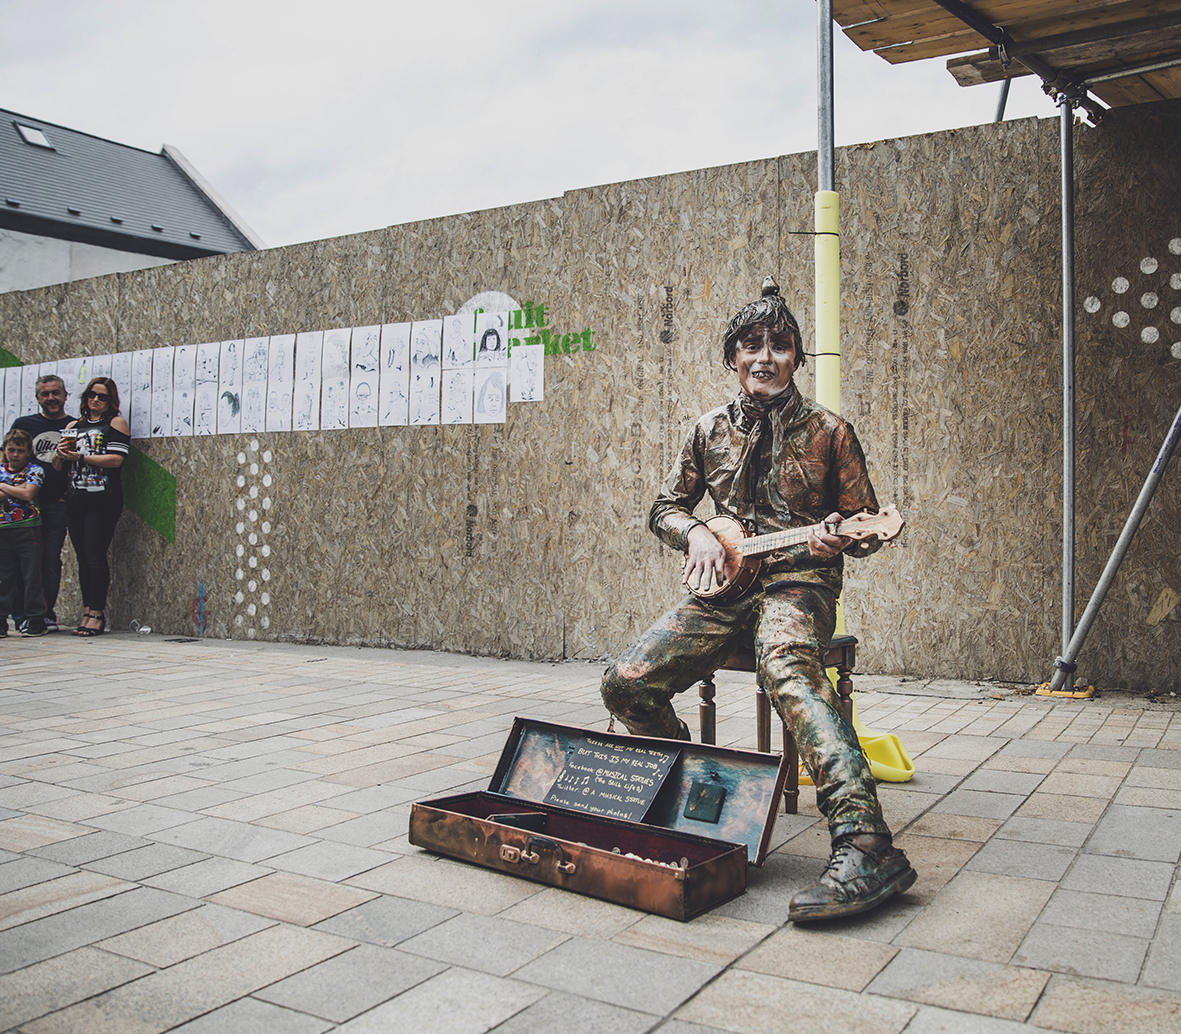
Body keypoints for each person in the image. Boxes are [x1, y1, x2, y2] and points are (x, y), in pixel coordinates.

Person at [600, 278, 915, 922]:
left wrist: (840, 544)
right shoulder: (708, 430)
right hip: (724, 587)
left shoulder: (830, 431)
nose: (764, 357)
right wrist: (695, 534)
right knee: (624, 682)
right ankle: (679, 785)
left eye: (779, 345)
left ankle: (865, 841)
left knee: (787, 667)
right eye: (751, 345)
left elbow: (866, 528)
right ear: (732, 358)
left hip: (798, 582)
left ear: (797, 358)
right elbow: (665, 507)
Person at [53, 377, 129, 636]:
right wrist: (59, 452)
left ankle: (98, 612)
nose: (96, 400)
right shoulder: (74, 425)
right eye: (92, 395)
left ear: (111, 401)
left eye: (103, 396)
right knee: (82, 557)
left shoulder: (114, 423)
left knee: (95, 555)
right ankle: (86, 610)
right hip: (76, 497)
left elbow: (117, 460)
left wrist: (81, 456)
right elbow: (57, 465)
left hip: (103, 498)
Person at [9, 374, 75, 632]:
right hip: (25, 506)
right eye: (45, 394)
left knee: (49, 559)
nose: (51, 398)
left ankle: (45, 612)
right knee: (21, 561)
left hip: (57, 505)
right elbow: (9, 463)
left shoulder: (73, 425)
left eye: (55, 393)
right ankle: (20, 614)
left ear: (65, 395)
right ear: (37, 398)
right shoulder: (24, 424)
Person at [0, 428, 48, 638]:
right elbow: (21, 491)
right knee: (4, 577)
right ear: (4, 450)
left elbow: (29, 493)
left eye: (20, 450)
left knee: (32, 576)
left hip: (28, 530)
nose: (16, 455)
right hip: (3, 531)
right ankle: (2, 620)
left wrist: (3, 487)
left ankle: (36, 619)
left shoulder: (35, 469)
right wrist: (16, 488)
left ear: (29, 452)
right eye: (11, 450)